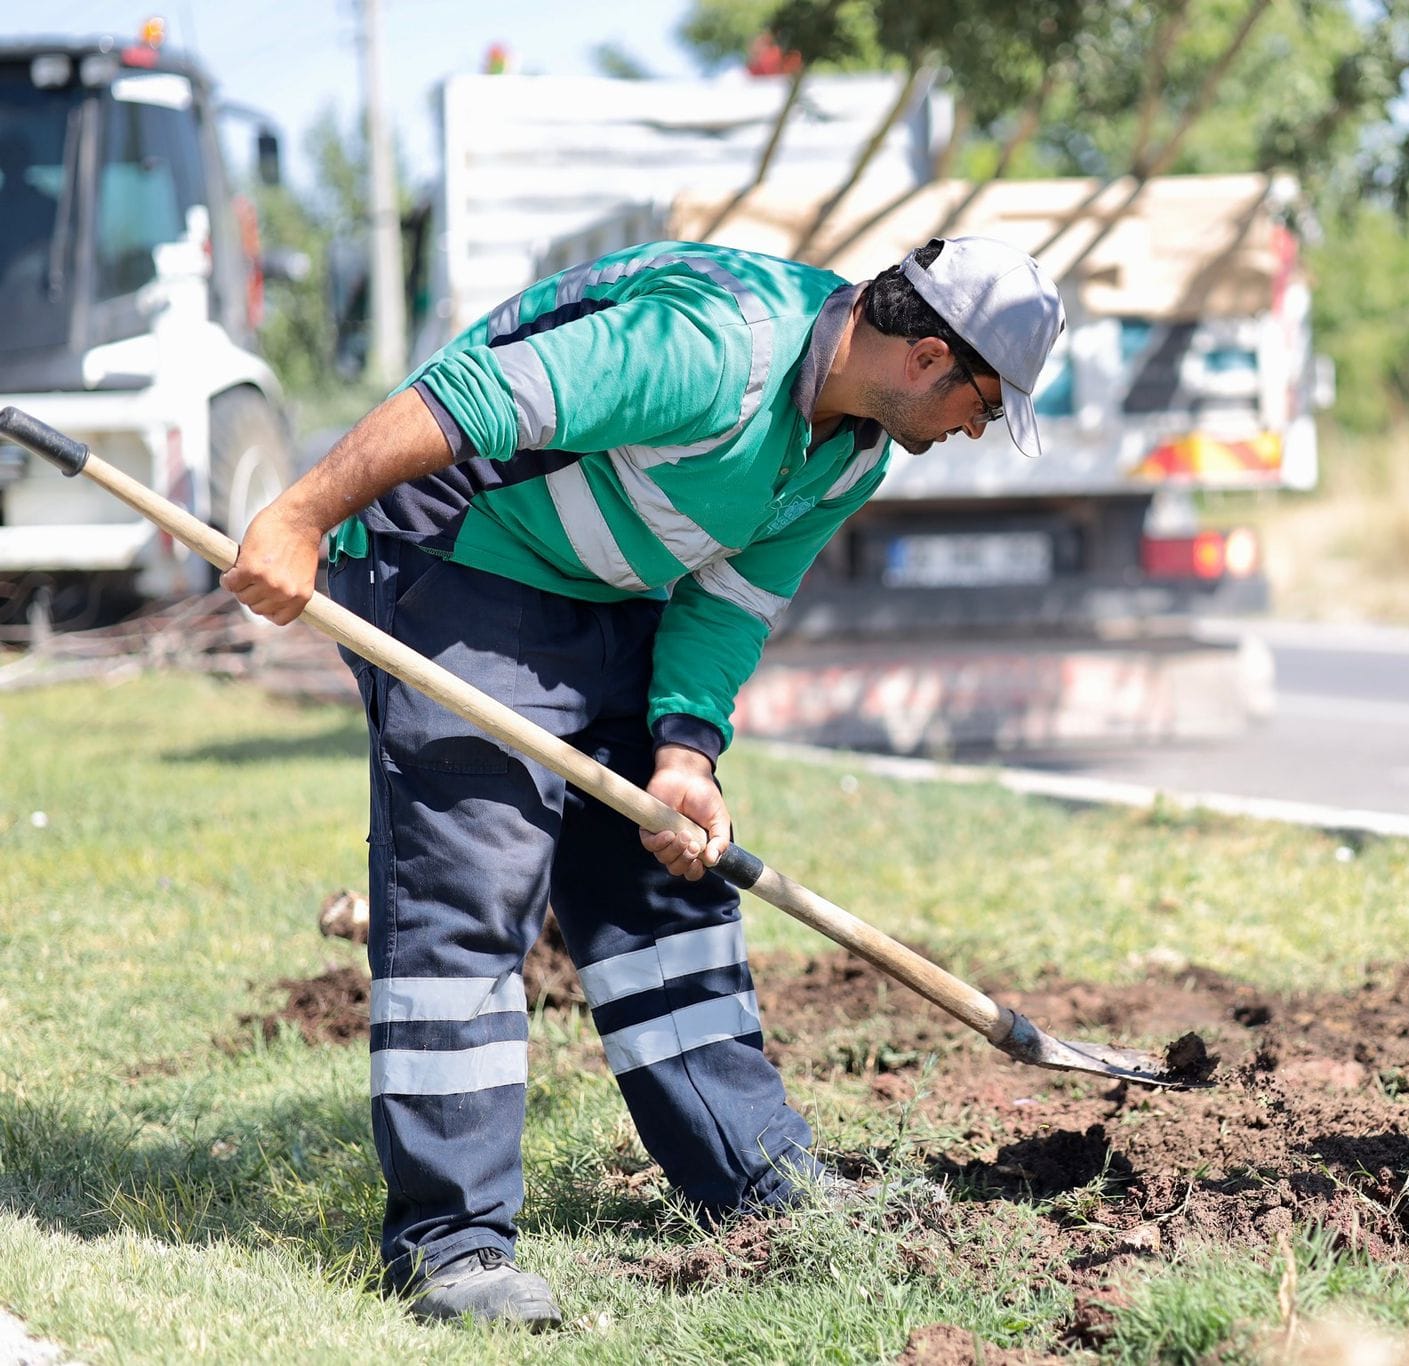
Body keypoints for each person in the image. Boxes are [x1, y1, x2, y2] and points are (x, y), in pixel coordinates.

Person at [223, 236, 1065, 1328]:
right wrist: (298, 516)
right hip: (462, 555)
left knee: (666, 880)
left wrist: (684, 752)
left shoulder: (850, 451)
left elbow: (730, 601)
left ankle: (753, 1178)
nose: (974, 432)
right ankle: (452, 1244)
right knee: (474, 889)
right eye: (984, 405)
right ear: (927, 358)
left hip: (609, 591)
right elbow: (471, 394)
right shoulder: (718, 345)